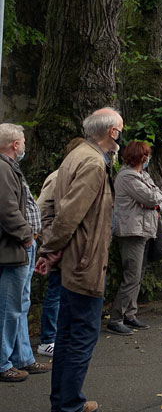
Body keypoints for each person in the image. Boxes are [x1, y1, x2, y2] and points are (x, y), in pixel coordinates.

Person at [38, 108, 123, 412]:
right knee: (81, 337)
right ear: (112, 132)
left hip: (73, 260)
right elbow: (70, 214)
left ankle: (64, 401)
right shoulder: (92, 163)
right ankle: (69, 404)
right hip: (84, 263)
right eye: (121, 129)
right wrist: (51, 248)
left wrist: (51, 249)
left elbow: (52, 205)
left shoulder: (77, 156)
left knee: (67, 334)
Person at [0, 123, 49, 383]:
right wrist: (27, 236)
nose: (25, 146)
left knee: (20, 305)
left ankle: (22, 358)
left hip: (20, 247)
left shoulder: (9, 168)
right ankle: (3, 362)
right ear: (15, 144)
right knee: (9, 308)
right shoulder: (3, 168)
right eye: (23, 142)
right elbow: (7, 209)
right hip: (15, 247)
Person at [107, 141, 162, 335]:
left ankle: (130, 313)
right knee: (131, 276)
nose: (148, 158)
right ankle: (116, 318)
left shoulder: (143, 175)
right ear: (141, 157)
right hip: (132, 231)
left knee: (138, 275)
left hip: (144, 229)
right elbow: (151, 198)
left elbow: (159, 197)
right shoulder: (127, 177)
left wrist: (154, 202)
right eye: (146, 155)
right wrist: (153, 201)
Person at [35, 137, 85, 358]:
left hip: (71, 243)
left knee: (68, 292)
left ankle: (61, 335)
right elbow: (41, 210)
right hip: (57, 242)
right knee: (56, 291)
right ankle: (48, 339)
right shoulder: (57, 178)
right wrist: (51, 241)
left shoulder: (75, 178)